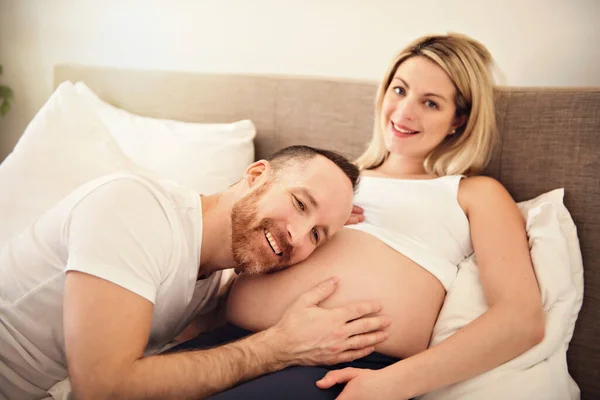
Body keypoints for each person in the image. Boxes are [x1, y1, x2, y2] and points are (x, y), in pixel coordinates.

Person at [188, 33, 545, 399]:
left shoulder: (473, 193)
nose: (405, 112)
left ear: (459, 120)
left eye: (431, 103)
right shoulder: (330, 181)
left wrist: (391, 384)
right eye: (400, 90)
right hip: (232, 345)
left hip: (338, 371)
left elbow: (521, 319)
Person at [0, 145, 393, 400]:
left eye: (317, 235)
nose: (297, 235)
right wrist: (278, 347)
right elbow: (102, 388)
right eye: (300, 203)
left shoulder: (216, 285)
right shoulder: (135, 208)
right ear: (256, 176)